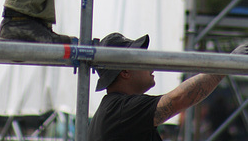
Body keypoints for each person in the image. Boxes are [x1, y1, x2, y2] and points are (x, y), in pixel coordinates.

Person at [88, 32, 248, 141]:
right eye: (140, 58)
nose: (150, 64)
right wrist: (228, 63)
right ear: (125, 71)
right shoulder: (120, 110)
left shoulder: (116, 109)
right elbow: (179, 98)